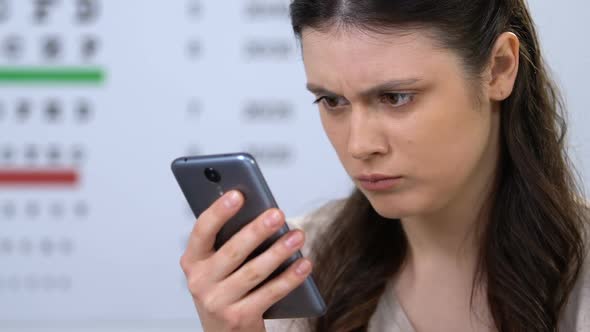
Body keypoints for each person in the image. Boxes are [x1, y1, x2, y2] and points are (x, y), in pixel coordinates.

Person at [179, 0, 590, 331]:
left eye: (396, 97)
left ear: (500, 68)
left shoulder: (580, 275)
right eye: (332, 101)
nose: (359, 146)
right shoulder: (301, 268)